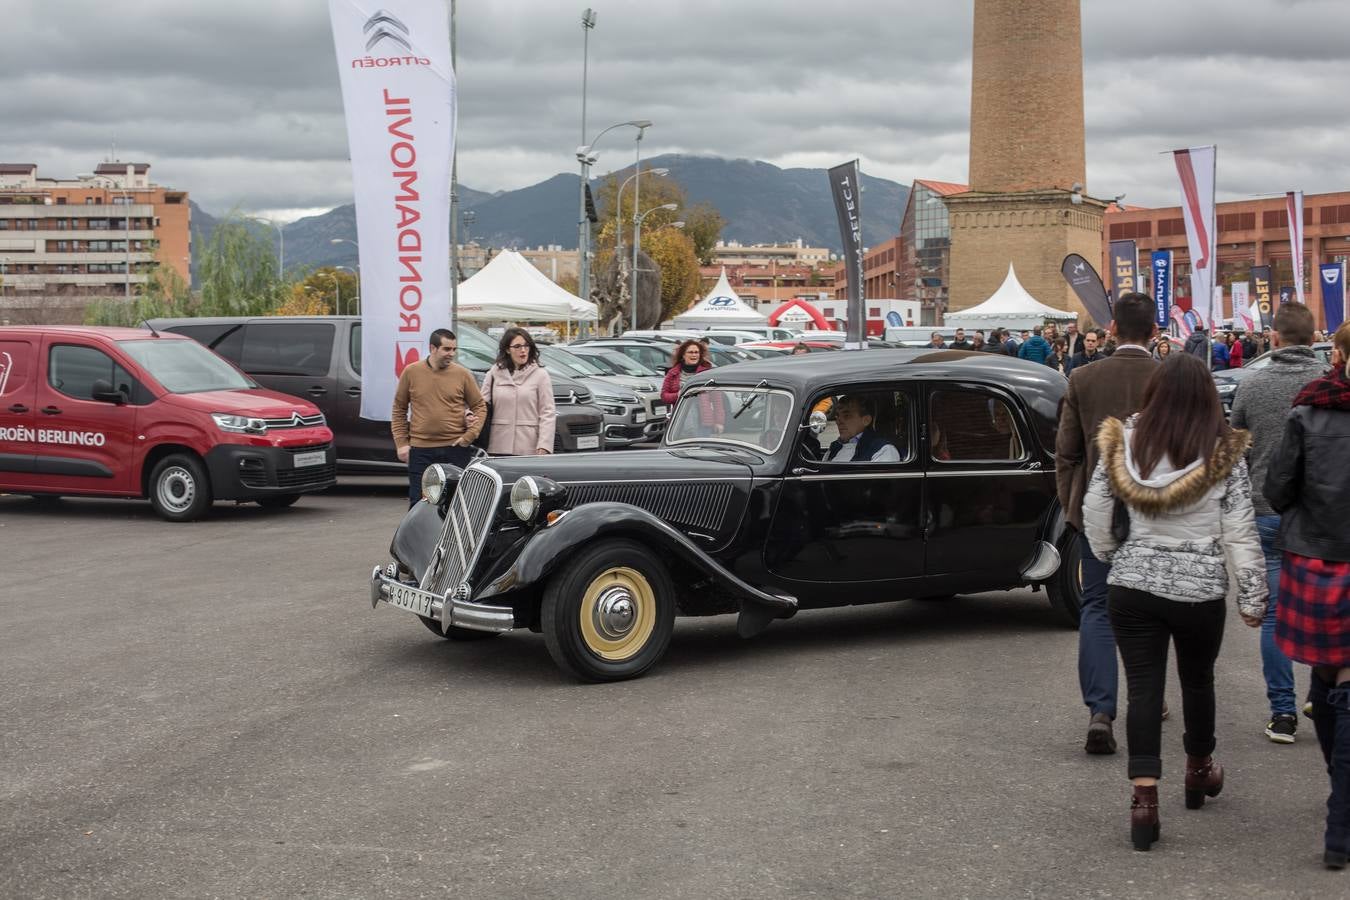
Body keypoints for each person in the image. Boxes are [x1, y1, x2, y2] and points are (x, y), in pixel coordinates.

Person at [1082, 352, 1266, 852]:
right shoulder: (1223, 450)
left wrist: (1108, 554)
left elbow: (1096, 507)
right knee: (1198, 679)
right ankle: (1199, 769)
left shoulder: (1122, 438)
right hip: (1198, 589)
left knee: (1143, 689)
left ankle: (1144, 800)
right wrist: (1253, 594)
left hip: (1133, 584)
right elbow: (1241, 530)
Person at [1054, 292, 1161, 756]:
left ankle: (1101, 709)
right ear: (1155, 332)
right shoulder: (1168, 380)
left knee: (1097, 608)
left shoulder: (1083, 377)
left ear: (1113, 329)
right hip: (1156, 512)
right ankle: (1147, 700)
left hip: (1096, 511)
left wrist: (1072, 508)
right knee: (1153, 610)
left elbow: (1066, 453)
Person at [1264, 320, 1350, 869]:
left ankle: (1340, 817)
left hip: (1316, 556)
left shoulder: (1309, 410)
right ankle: (1341, 812)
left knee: (1327, 678)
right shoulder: (1305, 410)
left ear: (1338, 354)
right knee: (1333, 681)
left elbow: (1276, 490)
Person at [1231, 303, 1326, 744]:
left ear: (1273, 338)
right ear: (1312, 338)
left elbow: (1238, 451)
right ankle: (1322, 692)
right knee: (1326, 606)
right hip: (1322, 514)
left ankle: (1282, 712)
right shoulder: (1329, 385)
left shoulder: (1252, 384)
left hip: (1266, 508)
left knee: (1272, 615)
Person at [390, 328, 487, 507]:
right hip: (421, 451)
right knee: (419, 504)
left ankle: (455, 536)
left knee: (457, 504)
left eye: (454, 349)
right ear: (432, 348)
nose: (451, 354)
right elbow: (399, 408)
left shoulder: (462, 374)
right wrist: (401, 443)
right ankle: (420, 536)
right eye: (446, 349)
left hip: (455, 449)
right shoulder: (411, 372)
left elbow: (480, 406)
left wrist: (470, 436)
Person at [478, 327, 555, 457]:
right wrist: (469, 415)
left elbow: (547, 412)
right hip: (497, 446)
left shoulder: (541, 375)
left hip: (529, 448)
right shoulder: (494, 373)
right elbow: (481, 405)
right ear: (508, 349)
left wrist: (544, 445)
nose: (523, 350)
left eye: (526, 346)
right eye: (517, 346)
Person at [661, 339, 724, 434]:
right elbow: (664, 396)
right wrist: (677, 395)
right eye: (690, 352)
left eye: (696, 352)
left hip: (703, 422)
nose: (694, 355)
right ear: (683, 355)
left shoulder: (707, 373)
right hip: (679, 422)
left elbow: (717, 399)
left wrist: (719, 422)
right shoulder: (673, 373)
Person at [826, 394, 901, 463]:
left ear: (866, 420)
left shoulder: (884, 450)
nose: (838, 422)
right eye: (837, 416)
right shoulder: (835, 446)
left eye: (847, 416)